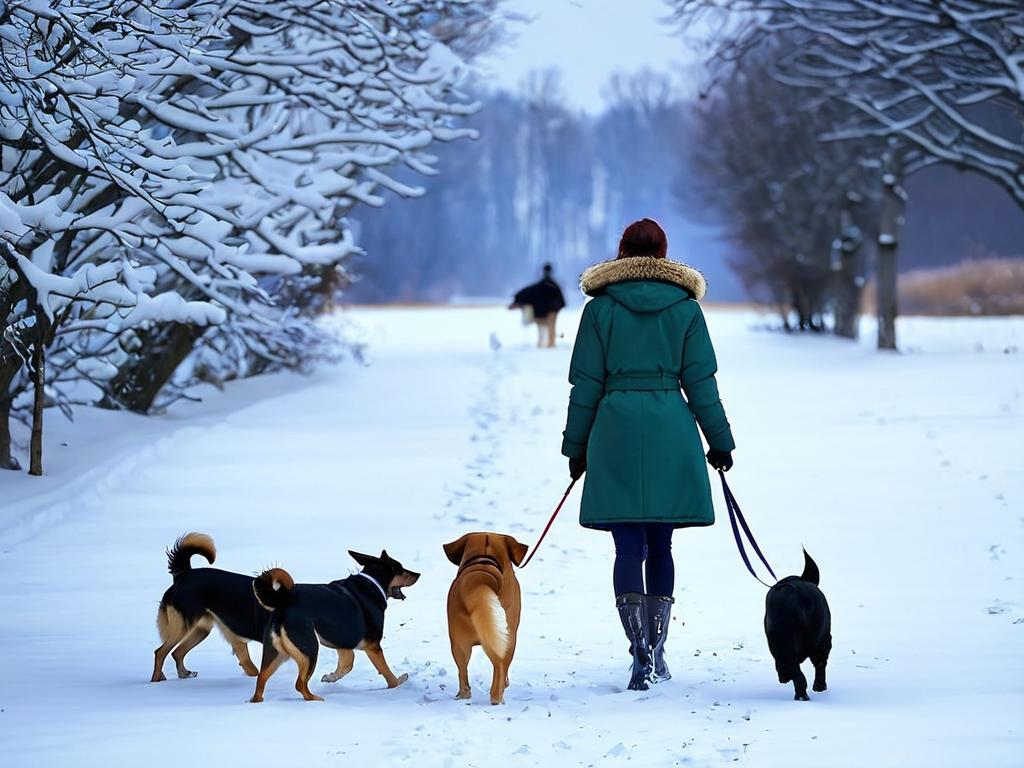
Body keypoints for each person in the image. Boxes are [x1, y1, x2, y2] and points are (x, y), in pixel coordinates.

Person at [560, 218, 735, 691]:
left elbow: (586, 386)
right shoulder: (685, 309)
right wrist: (720, 440)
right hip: (670, 430)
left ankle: (638, 650)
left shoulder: (599, 310)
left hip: (613, 429)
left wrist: (576, 446)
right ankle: (657, 649)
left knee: (626, 549)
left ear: (622, 252)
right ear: (663, 252)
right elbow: (701, 383)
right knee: (661, 546)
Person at [509, 263, 566, 348]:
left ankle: (547, 344)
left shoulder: (542, 286)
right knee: (550, 327)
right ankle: (549, 344)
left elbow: (527, 294)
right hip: (552, 309)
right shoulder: (553, 285)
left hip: (547, 310)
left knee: (545, 327)